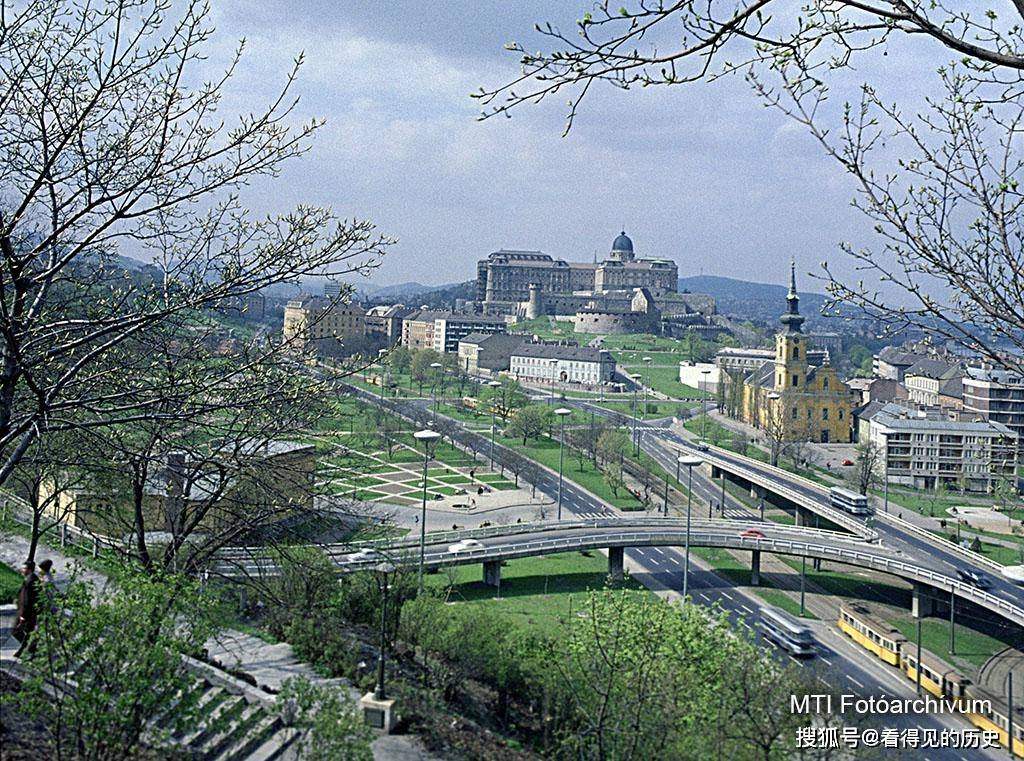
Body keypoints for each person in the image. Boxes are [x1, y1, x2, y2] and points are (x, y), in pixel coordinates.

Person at [13, 560, 39, 658]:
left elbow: (26, 600)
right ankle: (28, 649)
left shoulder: (29, 581)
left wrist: (22, 615)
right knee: (29, 632)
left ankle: (29, 648)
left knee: (16, 631)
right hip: (31, 612)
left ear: (29, 569)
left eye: (24, 568)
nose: (22, 570)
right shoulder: (33, 578)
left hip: (26, 613)